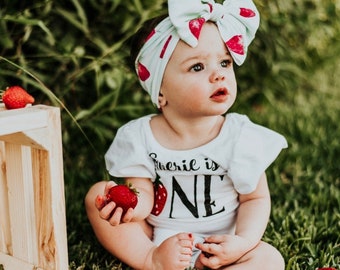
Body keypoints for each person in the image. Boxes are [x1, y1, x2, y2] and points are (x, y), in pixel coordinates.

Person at [85, 0, 288, 269]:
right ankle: (150, 259)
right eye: (197, 67)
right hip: (158, 238)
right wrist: (130, 207)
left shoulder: (240, 136)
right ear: (160, 92)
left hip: (223, 242)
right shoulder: (140, 136)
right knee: (96, 195)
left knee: (269, 259)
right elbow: (142, 193)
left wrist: (242, 242)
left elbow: (256, 198)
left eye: (225, 62)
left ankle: (218, 263)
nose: (218, 75)